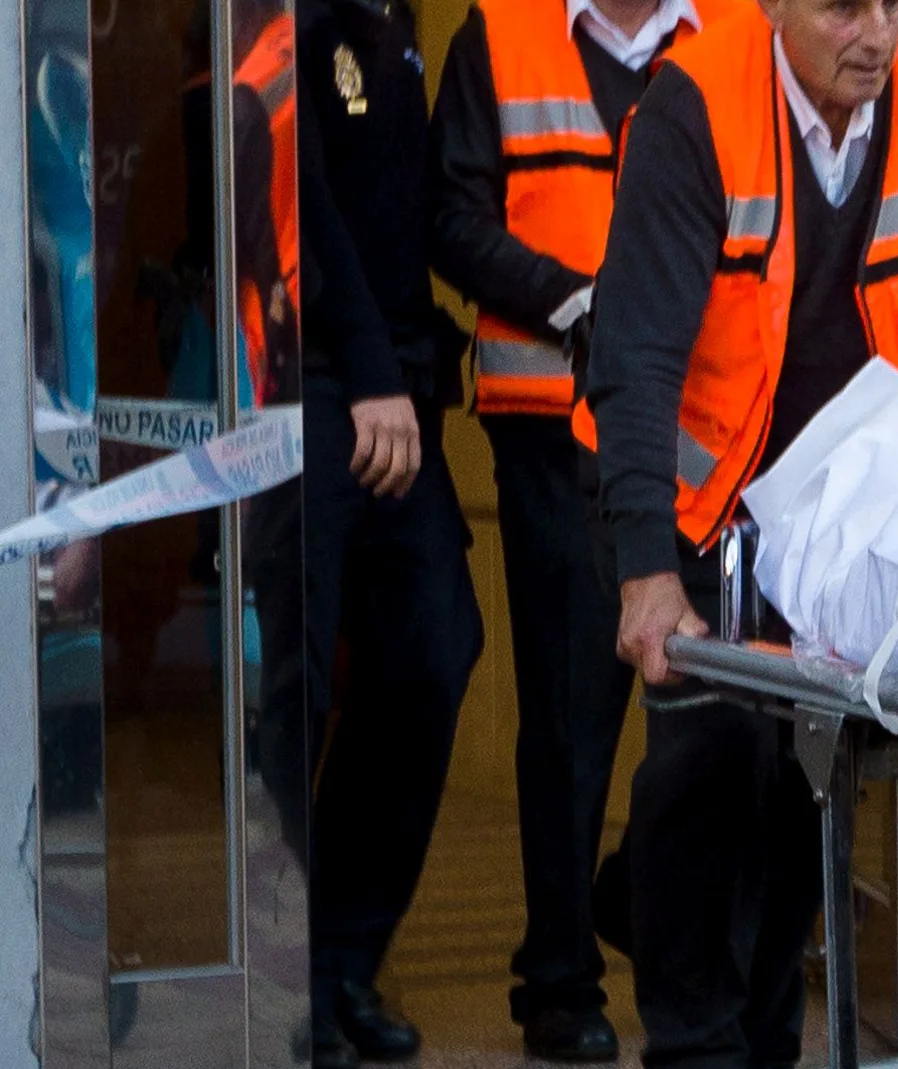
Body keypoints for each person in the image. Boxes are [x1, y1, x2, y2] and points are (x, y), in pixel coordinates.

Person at [578, 0, 898, 1060]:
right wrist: (646, 570)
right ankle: (695, 1038)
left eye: (891, 2)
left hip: (850, 517)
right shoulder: (694, 106)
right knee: (705, 765)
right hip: (702, 507)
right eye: (842, 7)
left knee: (809, 778)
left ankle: (764, 1033)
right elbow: (636, 353)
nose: (876, 33)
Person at [427, 0, 734, 1058]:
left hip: (711, 434)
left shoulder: (742, 30)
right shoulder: (498, 35)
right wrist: (576, 299)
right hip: (552, 429)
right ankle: (557, 979)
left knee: (722, 711)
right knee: (571, 715)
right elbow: (451, 218)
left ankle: (635, 901)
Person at [286, 1, 485, 1066]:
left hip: (396, 386)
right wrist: (366, 370)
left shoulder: (394, 16)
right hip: (315, 384)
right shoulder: (295, 17)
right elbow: (299, 201)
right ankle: (286, 983)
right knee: (297, 689)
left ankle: (340, 960)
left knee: (431, 651)